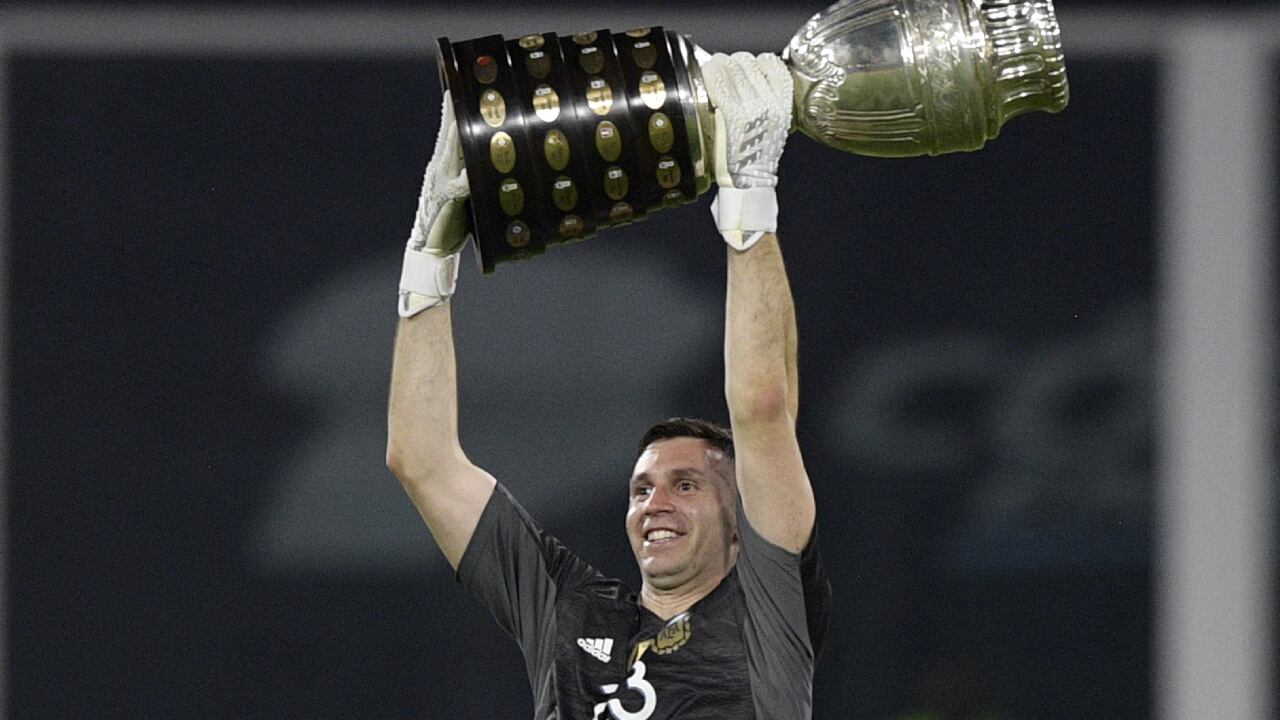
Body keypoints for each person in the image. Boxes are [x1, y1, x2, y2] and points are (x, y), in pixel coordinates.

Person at [386, 51, 830, 719]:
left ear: (741, 524)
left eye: (687, 485)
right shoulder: (567, 611)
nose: (655, 503)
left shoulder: (770, 610)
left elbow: (764, 408)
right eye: (642, 488)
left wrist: (749, 198)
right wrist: (429, 259)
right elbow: (420, 460)